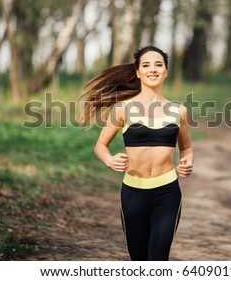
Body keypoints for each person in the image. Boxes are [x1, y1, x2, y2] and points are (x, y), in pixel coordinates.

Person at [80, 45, 194, 261]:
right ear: (137, 72)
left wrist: (187, 161)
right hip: (133, 193)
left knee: (158, 259)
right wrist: (110, 160)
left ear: (166, 71)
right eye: (146, 65)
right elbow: (100, 146)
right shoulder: (122, 109)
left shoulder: (179, 111)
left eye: (158, 64)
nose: (153, 69)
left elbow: (186, 148)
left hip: (167, 193)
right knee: (138, 259)